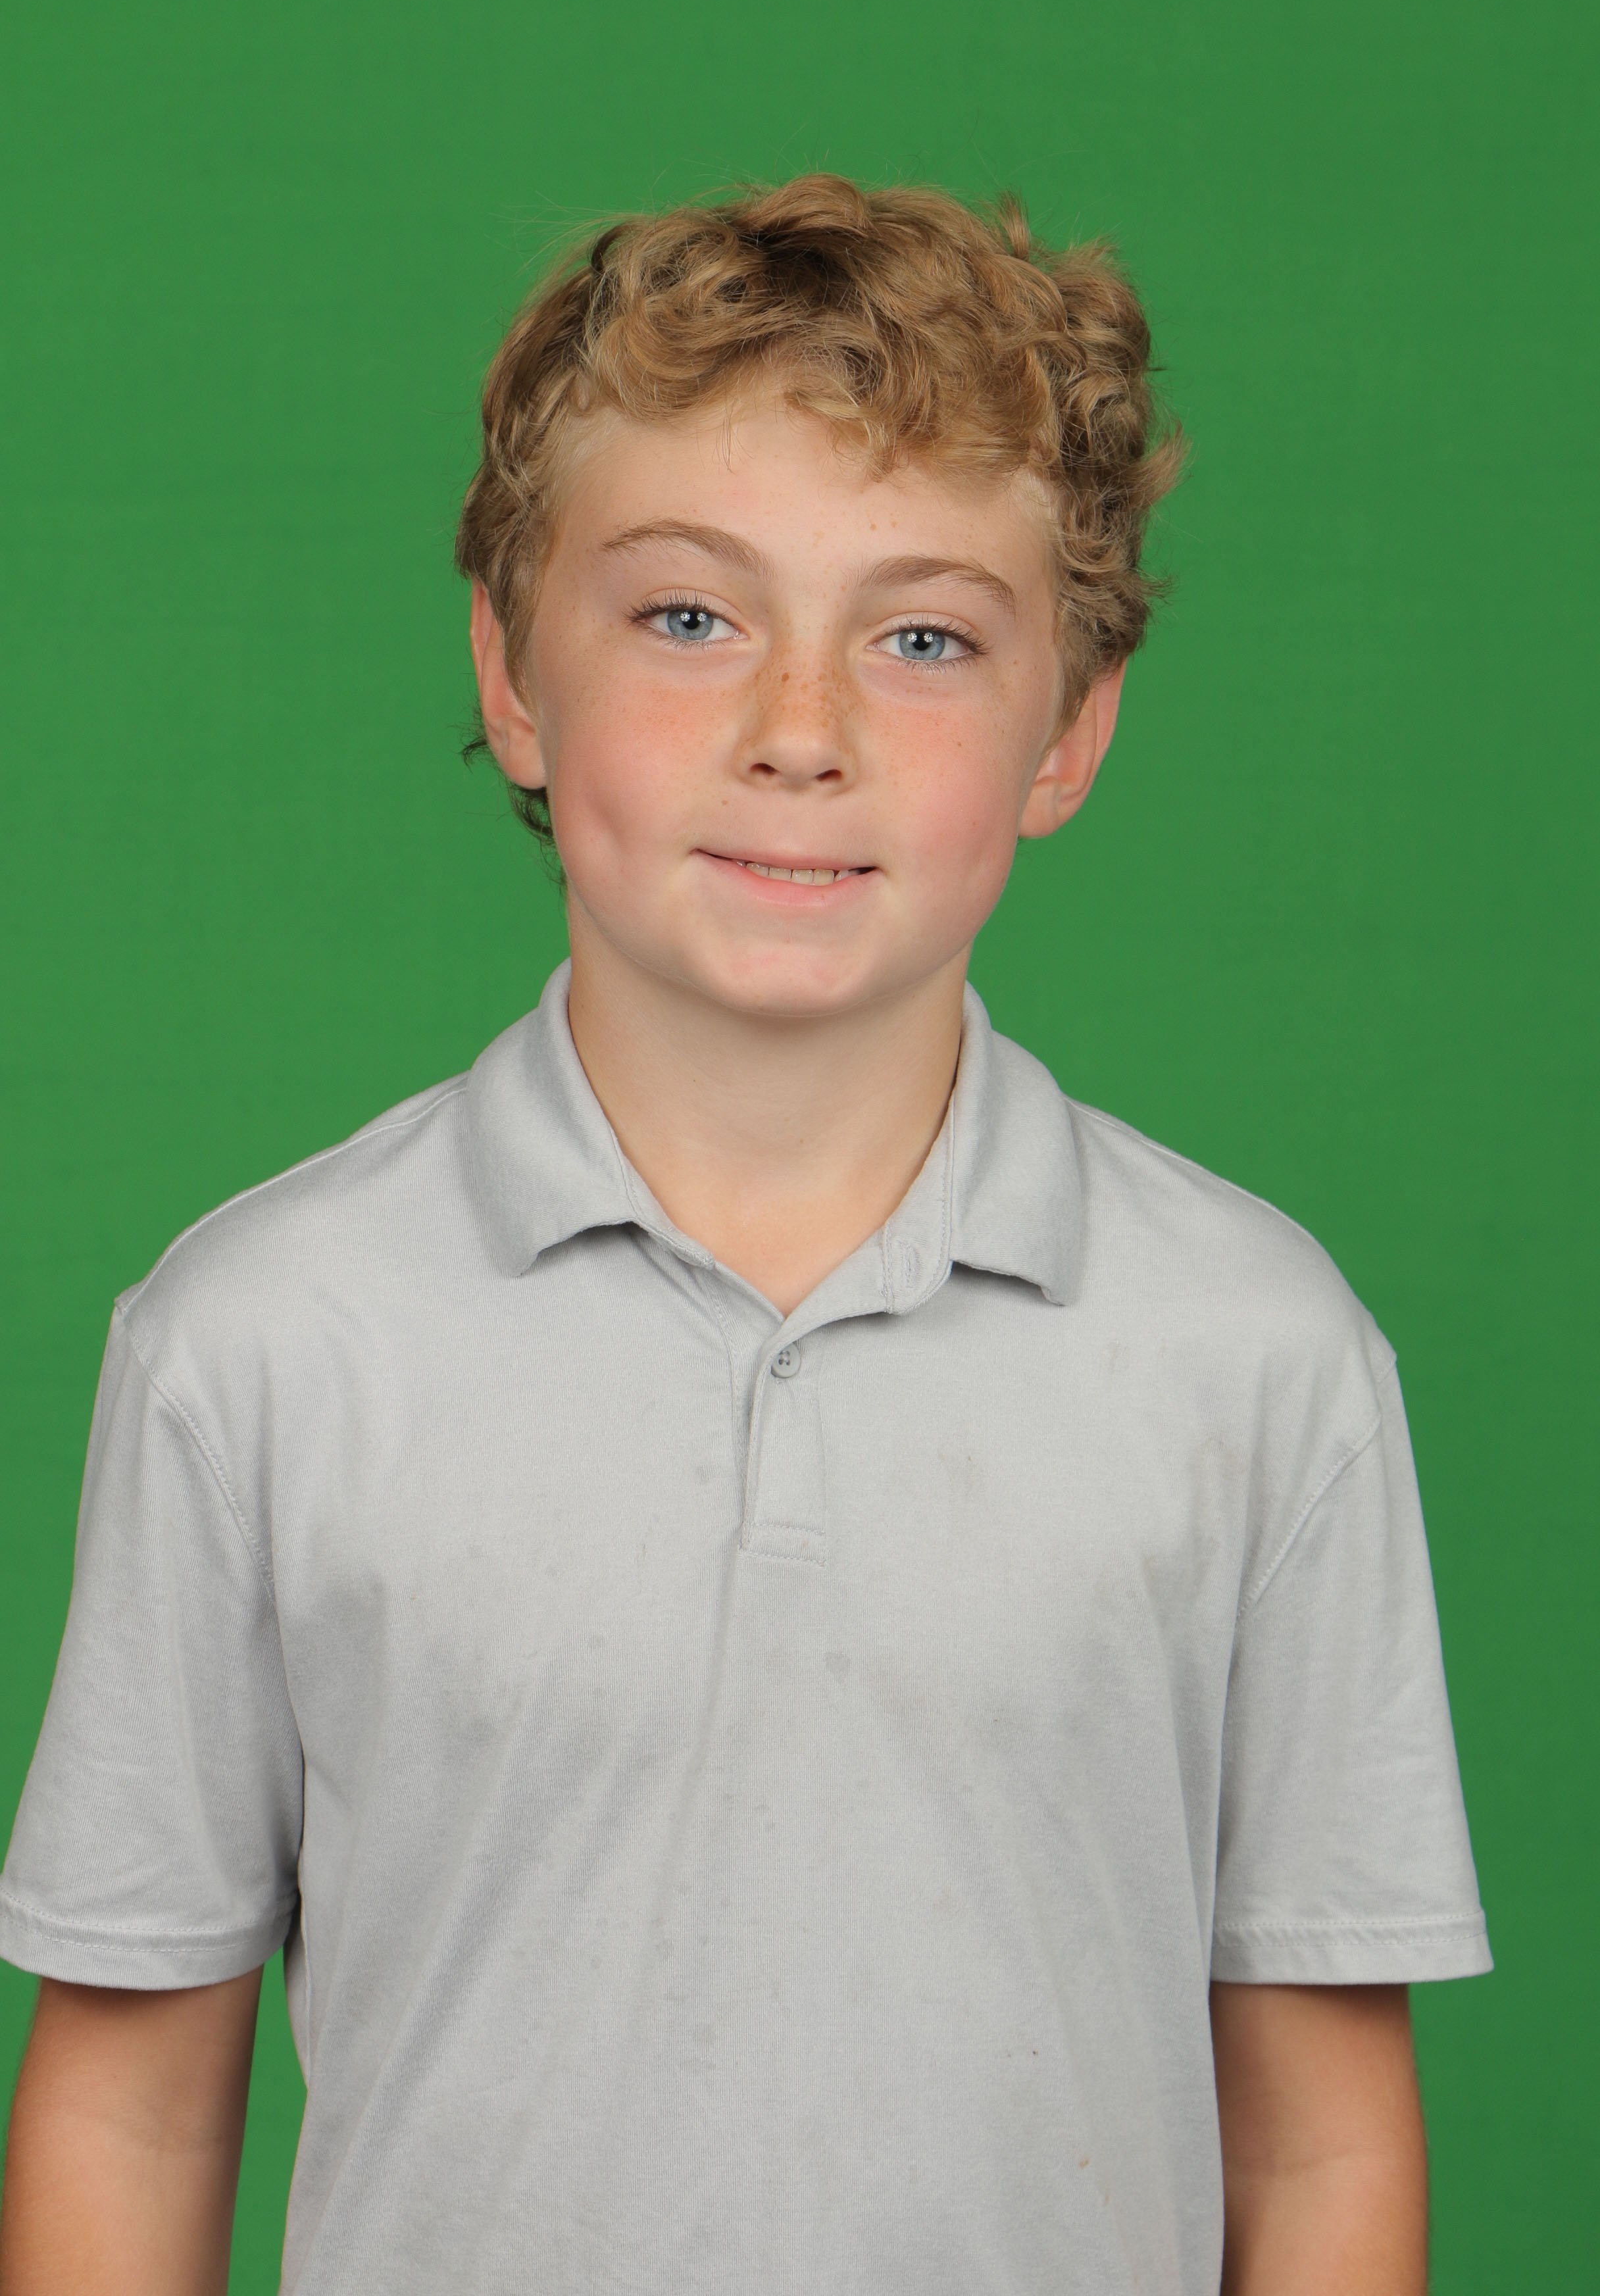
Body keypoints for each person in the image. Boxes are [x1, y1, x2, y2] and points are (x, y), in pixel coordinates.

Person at [0, 174, 1488, 2296]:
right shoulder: (262, 1340)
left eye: (923, 637)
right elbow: (132, 2111)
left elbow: (1325, 2150)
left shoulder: (1258, 1354)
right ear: (515, 673)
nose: (802, 730)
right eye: (690, 618)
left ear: (1070, 731)